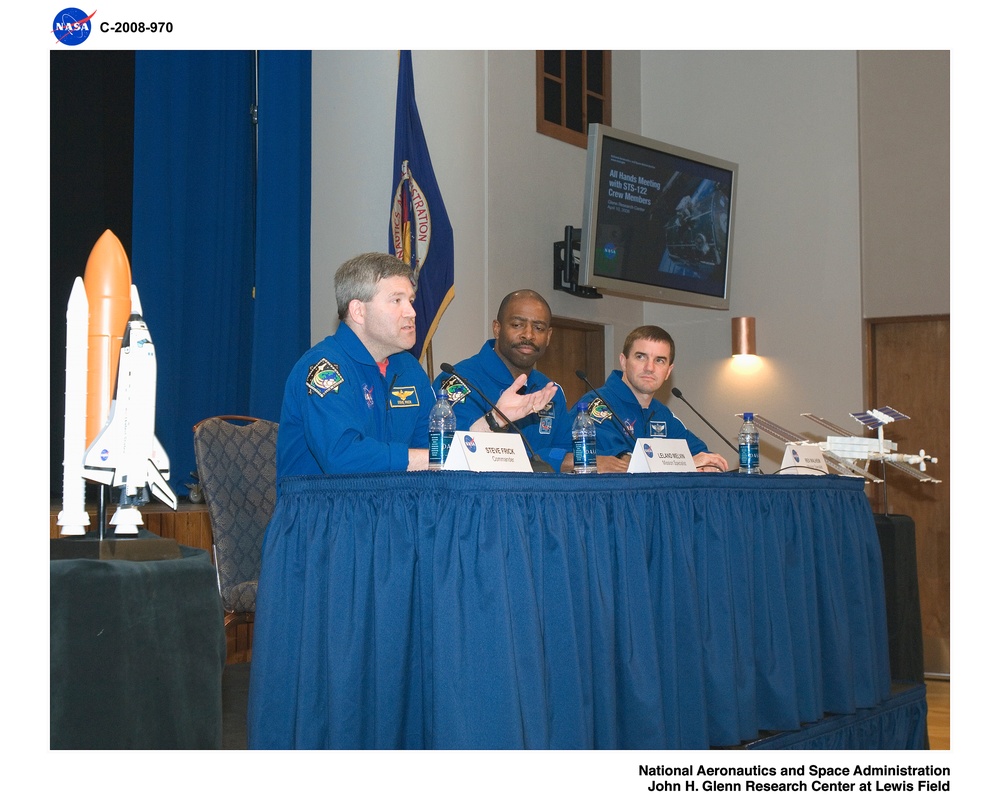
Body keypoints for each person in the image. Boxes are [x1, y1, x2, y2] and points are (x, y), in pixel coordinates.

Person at [275, 251, 435, 476]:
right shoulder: (323, 368)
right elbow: (342, 457)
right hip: (324, 508)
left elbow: (431, 447)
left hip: (390, 505)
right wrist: (424, 459)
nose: (412, 312)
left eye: (410, 301)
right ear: (358, 311)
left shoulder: (409, 369)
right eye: (396, 300)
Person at [434, 289, 620, 473]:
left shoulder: (550, 391)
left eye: (538, 328)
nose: (528, 335)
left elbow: (568, 452)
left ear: (548, 337)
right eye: (517, 325)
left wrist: (560, 459)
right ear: (497, 329)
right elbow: (453, 453)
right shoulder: (459, 381)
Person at [578, 325, 729, 473]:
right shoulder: (596, 404)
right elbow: (621, 464)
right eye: (641, 357)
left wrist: (709, 464)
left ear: (668, 371)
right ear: (623, 362)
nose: (649, 367)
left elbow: (702, 455)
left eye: (659, 360)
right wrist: (688, 463)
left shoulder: (662, 413)